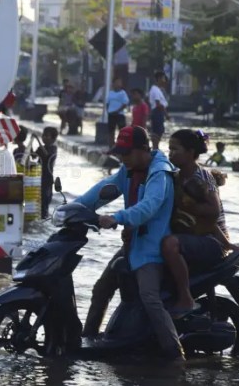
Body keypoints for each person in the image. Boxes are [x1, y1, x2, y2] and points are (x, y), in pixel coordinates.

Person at [76, 126, 184, 361]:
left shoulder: (160, 173)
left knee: (150, 298)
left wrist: (118, 217)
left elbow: (150, 206)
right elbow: (103, 191)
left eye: (126, 152)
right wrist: (74, 208)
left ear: (143, 149)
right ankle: (86, 343)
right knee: (101, 288)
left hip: (152, 249)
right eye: (120, 153)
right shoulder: (128, 170)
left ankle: (176, 355)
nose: (122, 158)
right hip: (133, 245)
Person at [163, 129, 239, 317]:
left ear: (190, 152)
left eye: (175, 149)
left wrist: (186, 206)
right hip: (196, 236)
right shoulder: (177, 176)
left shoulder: (201, 177)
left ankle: (185, 298)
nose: (170, 153)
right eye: (169, 149)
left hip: (212, 241)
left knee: (170, 244)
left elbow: (212, 211)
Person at [34, 127, 58, 219]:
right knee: (38, 201)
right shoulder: (40, 148)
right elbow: (33, 156)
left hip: (47, 179)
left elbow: (47, 155)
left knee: (45, 201)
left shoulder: (53, 149)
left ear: (53, 139)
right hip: (38, 177)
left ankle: (45, 217)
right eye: (43, 135)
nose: (44, 137)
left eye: (46, 136)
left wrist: (37, 140)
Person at [149, 71, 170, 151]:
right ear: (159, 79)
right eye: (163, 78)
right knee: (157, 132)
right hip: (157, 112)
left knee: (158, 131)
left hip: (157, 112)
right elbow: (158, 104)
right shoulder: (155, 90)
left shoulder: (157, 90)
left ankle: (156, 148)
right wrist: (166, 114)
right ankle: (155, 149)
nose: (164, 81)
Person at [106, 77, 129, 148]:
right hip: (111, 114)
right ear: (113, 84)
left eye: (119, 82)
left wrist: (117, 111)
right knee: (111, 131)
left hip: (120, 115)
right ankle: (111, 147)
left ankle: (121, 146)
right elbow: (107, 103)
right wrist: (109, 111)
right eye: (117, 82)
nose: (118, 84)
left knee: (122, 131)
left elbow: (125, 104)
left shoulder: (123, 93)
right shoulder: (110, 93)